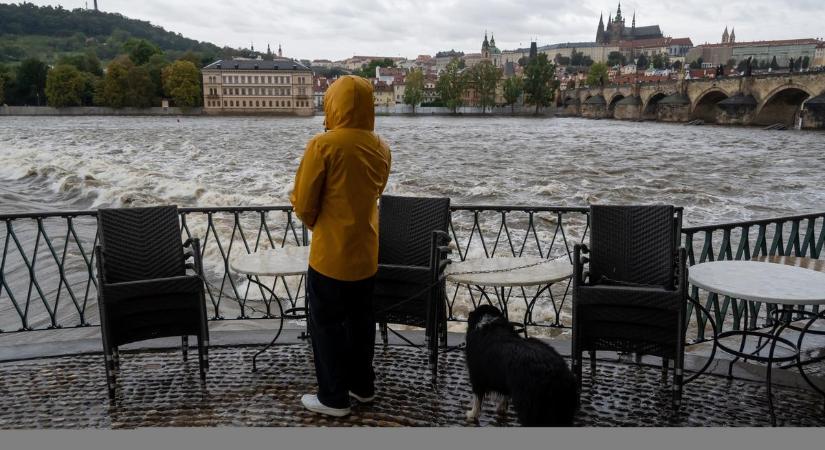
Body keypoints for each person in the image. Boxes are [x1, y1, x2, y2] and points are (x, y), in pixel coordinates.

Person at [290, 75, 392, 417]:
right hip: (367, 253)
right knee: (362, 324)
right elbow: (374, 192)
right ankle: (362, 387)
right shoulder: (381, 147)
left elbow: (304, 203)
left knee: (327, 325)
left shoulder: (323, 145)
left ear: (333, 103)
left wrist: (321, 224)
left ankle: (333, 398)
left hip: (331, 256)